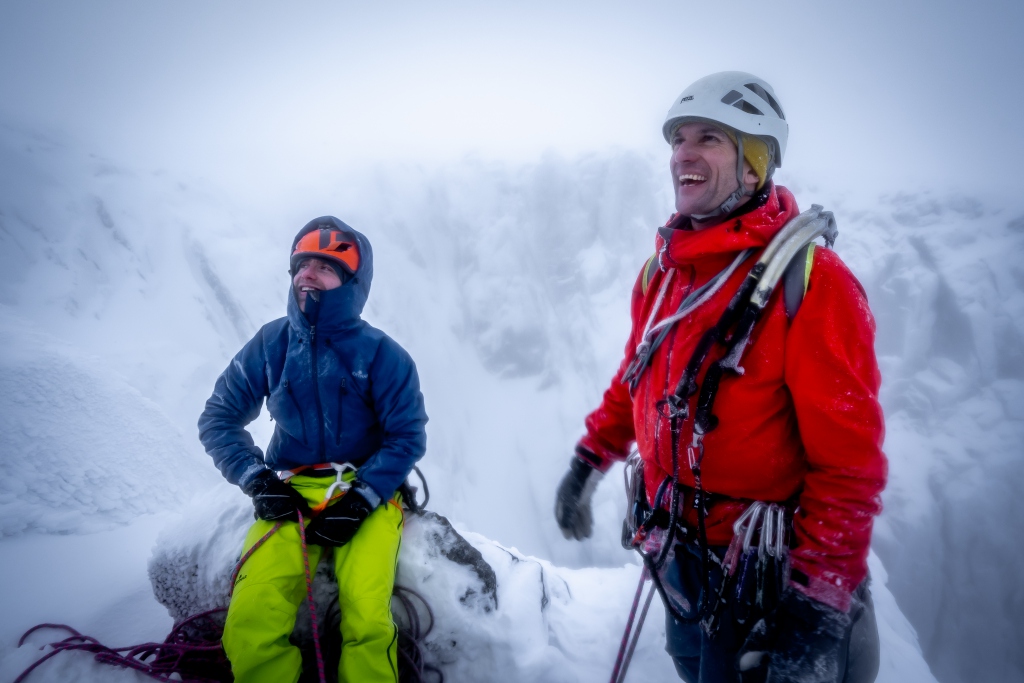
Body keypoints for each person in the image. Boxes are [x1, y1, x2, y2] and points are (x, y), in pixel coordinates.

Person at [554, 72, 886, 683]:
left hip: (767, 576)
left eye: (709, 138)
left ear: (755, 163)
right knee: (693, 666)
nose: (683, 152)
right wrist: (588, 460)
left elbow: (849, 467)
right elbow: (639, 380)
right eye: (679, 138)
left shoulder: (815, 284)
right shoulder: (665, 272)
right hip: (682, 553)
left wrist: (817, 608)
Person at [198, 216, 428, 683]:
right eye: (302, 263)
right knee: (253, 611)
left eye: (324, 266)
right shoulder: (272, 343)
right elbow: (218, 418)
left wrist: (363, 500)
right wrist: (257, 479)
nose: (307, 272)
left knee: (367, 614)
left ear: (351, 282)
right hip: (294, 489)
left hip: (367, 488)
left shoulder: (384, 355)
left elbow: (407, 437)